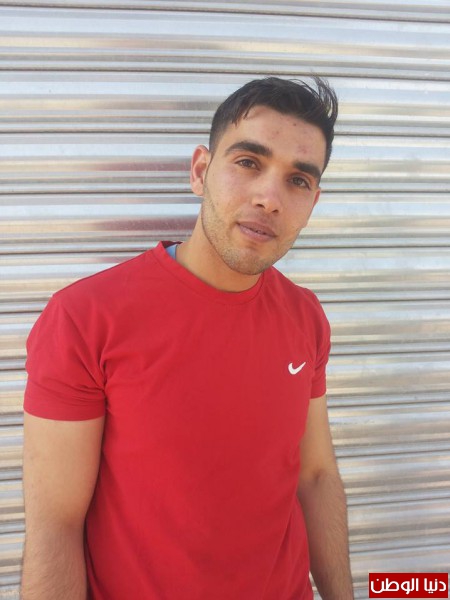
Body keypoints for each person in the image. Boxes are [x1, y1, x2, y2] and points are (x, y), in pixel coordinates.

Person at [21, 76, 354, 600]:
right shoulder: (86, 318)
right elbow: (56, 525)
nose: (269, 198)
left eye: (298, 180)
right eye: (249, 162)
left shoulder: (305, 316)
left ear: (312, 202)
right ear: (200, 170)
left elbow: (315, 476)